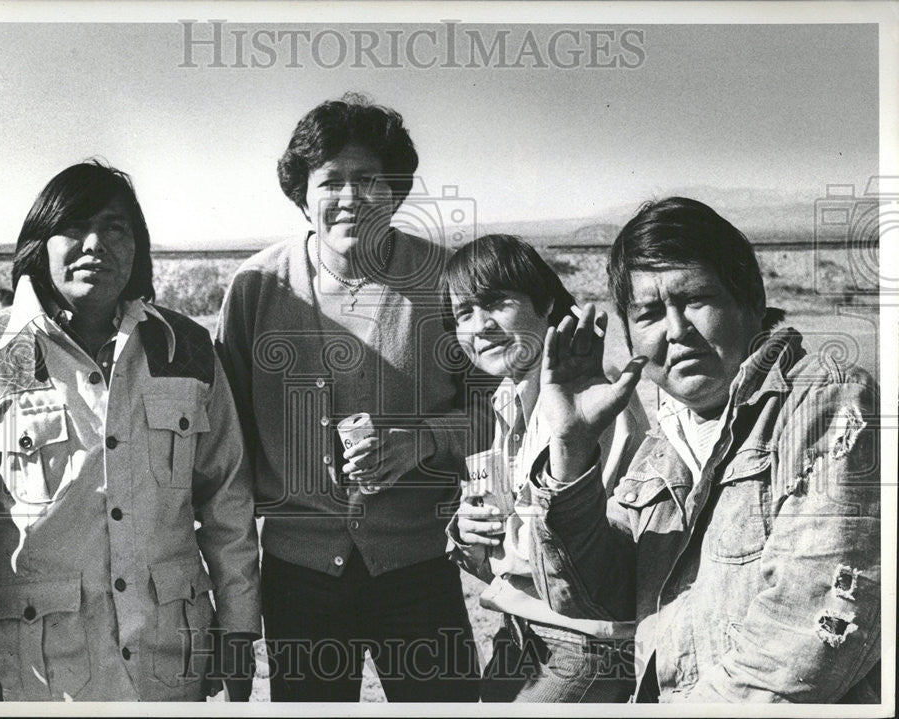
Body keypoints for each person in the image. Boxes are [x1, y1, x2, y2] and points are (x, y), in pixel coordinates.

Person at [0, 161, 260, 702]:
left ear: (137, 247)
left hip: (170, 665)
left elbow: (227, 501)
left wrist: (239, 629)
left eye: (115, 228)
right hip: (44, 677)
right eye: (74, 226)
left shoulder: (188, 348)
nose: (95, 243)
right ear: (40, 244)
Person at [530, 197, 880, 702]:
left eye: (695, 299)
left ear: (750, 301)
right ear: (628, 335)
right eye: (649, 313)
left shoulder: (825, 403)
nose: (676, 330)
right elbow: (592, 596)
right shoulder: (664, 441)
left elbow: (803, 645)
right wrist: (571, 447)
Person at [215, 94, 480, 702]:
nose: (351, 197)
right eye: (331, 180)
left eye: (370, 180)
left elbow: (500, 417)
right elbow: (226, 435)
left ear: (398, 191)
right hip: (298, 572)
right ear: (301, 194)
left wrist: (422, 441)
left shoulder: (448, 282)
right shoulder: (256, 287)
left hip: (418, 563)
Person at [443, 234, 648, 702]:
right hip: (523, 628)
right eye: (464, 313)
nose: (480, 326)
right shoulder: (510, 396)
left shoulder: (590, 397)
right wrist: (470, 531)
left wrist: (485, 548)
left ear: (547, 301)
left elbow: (581, 558)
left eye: (496, 302)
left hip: (587, 642)